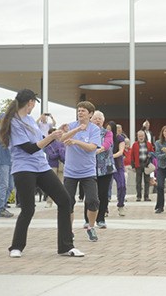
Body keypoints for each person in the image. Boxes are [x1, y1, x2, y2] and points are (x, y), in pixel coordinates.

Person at [0, 89, 83, 258]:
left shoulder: (30, 120)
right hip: (23, 168)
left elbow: (42, 140)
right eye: (33, 103)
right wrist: (51, 138)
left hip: (41, 166)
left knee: (65, 201)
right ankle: (16, 246)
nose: (33, 106)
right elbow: (29, 148)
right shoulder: (14, 122)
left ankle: (66, 247)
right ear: (30, 102)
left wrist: (57, 132)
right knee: (28, 209)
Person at [61, 101, 101, 242]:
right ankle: (68, 230)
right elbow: (62, 138)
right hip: (70, 172)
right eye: (79, 110)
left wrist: (76, 142)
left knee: (93, 201)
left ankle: (91, 227)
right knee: (68, 202)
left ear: (90, 114)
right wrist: (76, 130)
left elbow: (92, 147)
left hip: (88, 172)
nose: (80, 112)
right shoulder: (71, 126)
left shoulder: (94, 129)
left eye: (83, 110)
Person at [0, 116, 15, 218]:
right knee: (3, 185)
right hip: (1, 162)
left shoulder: (8, 132)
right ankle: (0, 209)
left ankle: (3, 206)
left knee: (10, 186)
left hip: (9, 162)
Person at [108, 121, 127, 217]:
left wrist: (110, 156)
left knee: (122, 185)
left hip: (118, 165)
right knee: (106, 188)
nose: (109, 131)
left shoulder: (120, 138)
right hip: (106, 166)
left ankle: (121, 205)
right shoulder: (103, 137)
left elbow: (121, 152)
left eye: (110, 129)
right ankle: (104, 208)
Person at [43, 127, 66, 207]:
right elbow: (51, 156)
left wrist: (60, 153)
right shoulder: (47, 144)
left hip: (61, 165)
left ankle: (60, 201)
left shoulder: (62, 143)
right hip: (52, 165)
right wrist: (59, 153)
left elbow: (64, 155)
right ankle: (49, 201)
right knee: (52, 184)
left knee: (60, 184)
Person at [131, 130, 154, 202]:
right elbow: (132, 156)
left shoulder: (149, 144)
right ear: (137, 137)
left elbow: (152, 153)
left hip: (146, 164)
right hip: (138, 164)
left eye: (142, 136)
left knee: (147, 181)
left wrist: (150, 158)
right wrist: (133, 166)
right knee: (138, 181)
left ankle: (146, 196)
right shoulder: (134, 145)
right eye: (139, 136)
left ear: (144, 136)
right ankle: (138, 196)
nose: (141, 137)